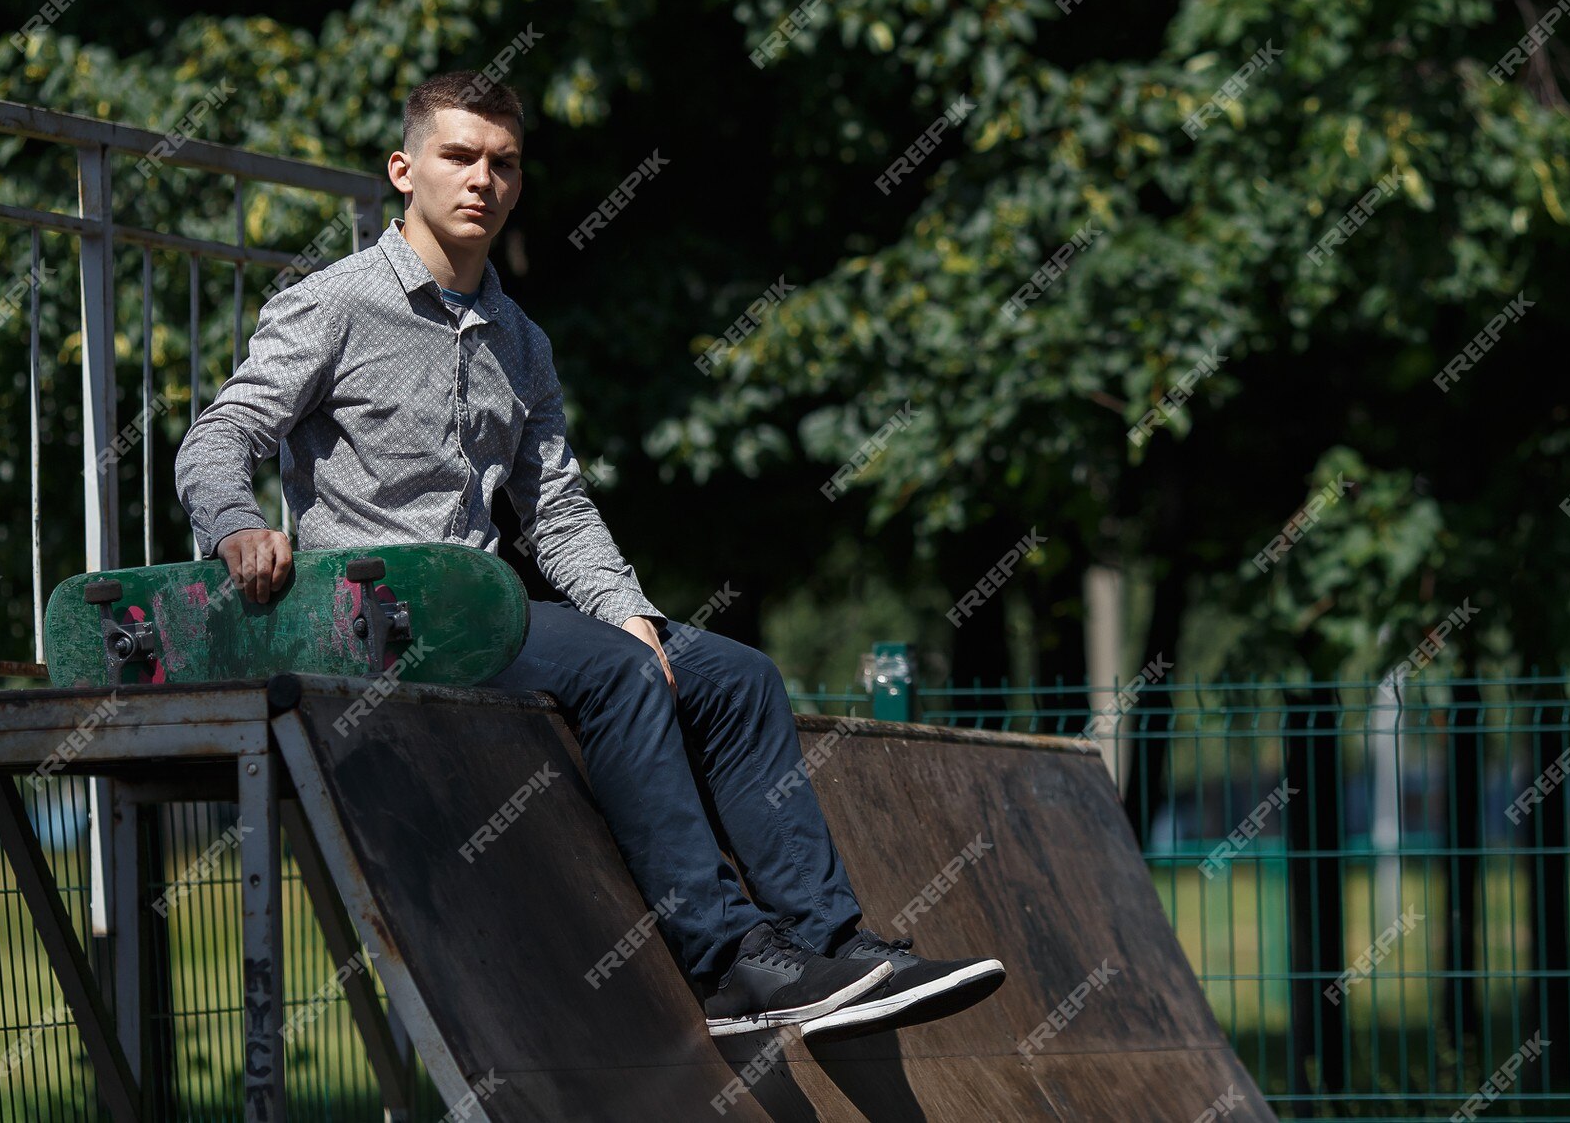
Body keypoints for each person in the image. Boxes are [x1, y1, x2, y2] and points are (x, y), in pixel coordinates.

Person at [172, 69, 1004, 1038]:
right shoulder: (334, 305)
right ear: (404, 170)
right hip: (374, 622)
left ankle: (832, 944)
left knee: (730, 677)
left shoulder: (521, 342)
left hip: (480, 610)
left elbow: (557, 506)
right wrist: (236, 524)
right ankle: (727, 959)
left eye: (503, 163)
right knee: (615, 675)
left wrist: (628, 612)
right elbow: (218, 437)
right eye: (458, 156)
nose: (481, 178)